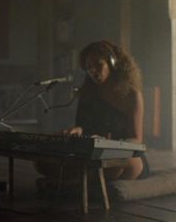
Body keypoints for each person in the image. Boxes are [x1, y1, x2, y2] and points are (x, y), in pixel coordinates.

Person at [35, 40, 149, 190]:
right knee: (41, 161)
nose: (93, 70)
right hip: (91, 152)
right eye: (89, 67)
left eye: (98, 65)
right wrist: (76, 130)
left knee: (129, 164)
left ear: (112, 64)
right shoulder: (88, 93)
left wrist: (111, 144)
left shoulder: (132, 95)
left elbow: (136, 139)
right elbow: (83, 127)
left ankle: (71, 185)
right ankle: (81, 182)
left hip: (120, 153)